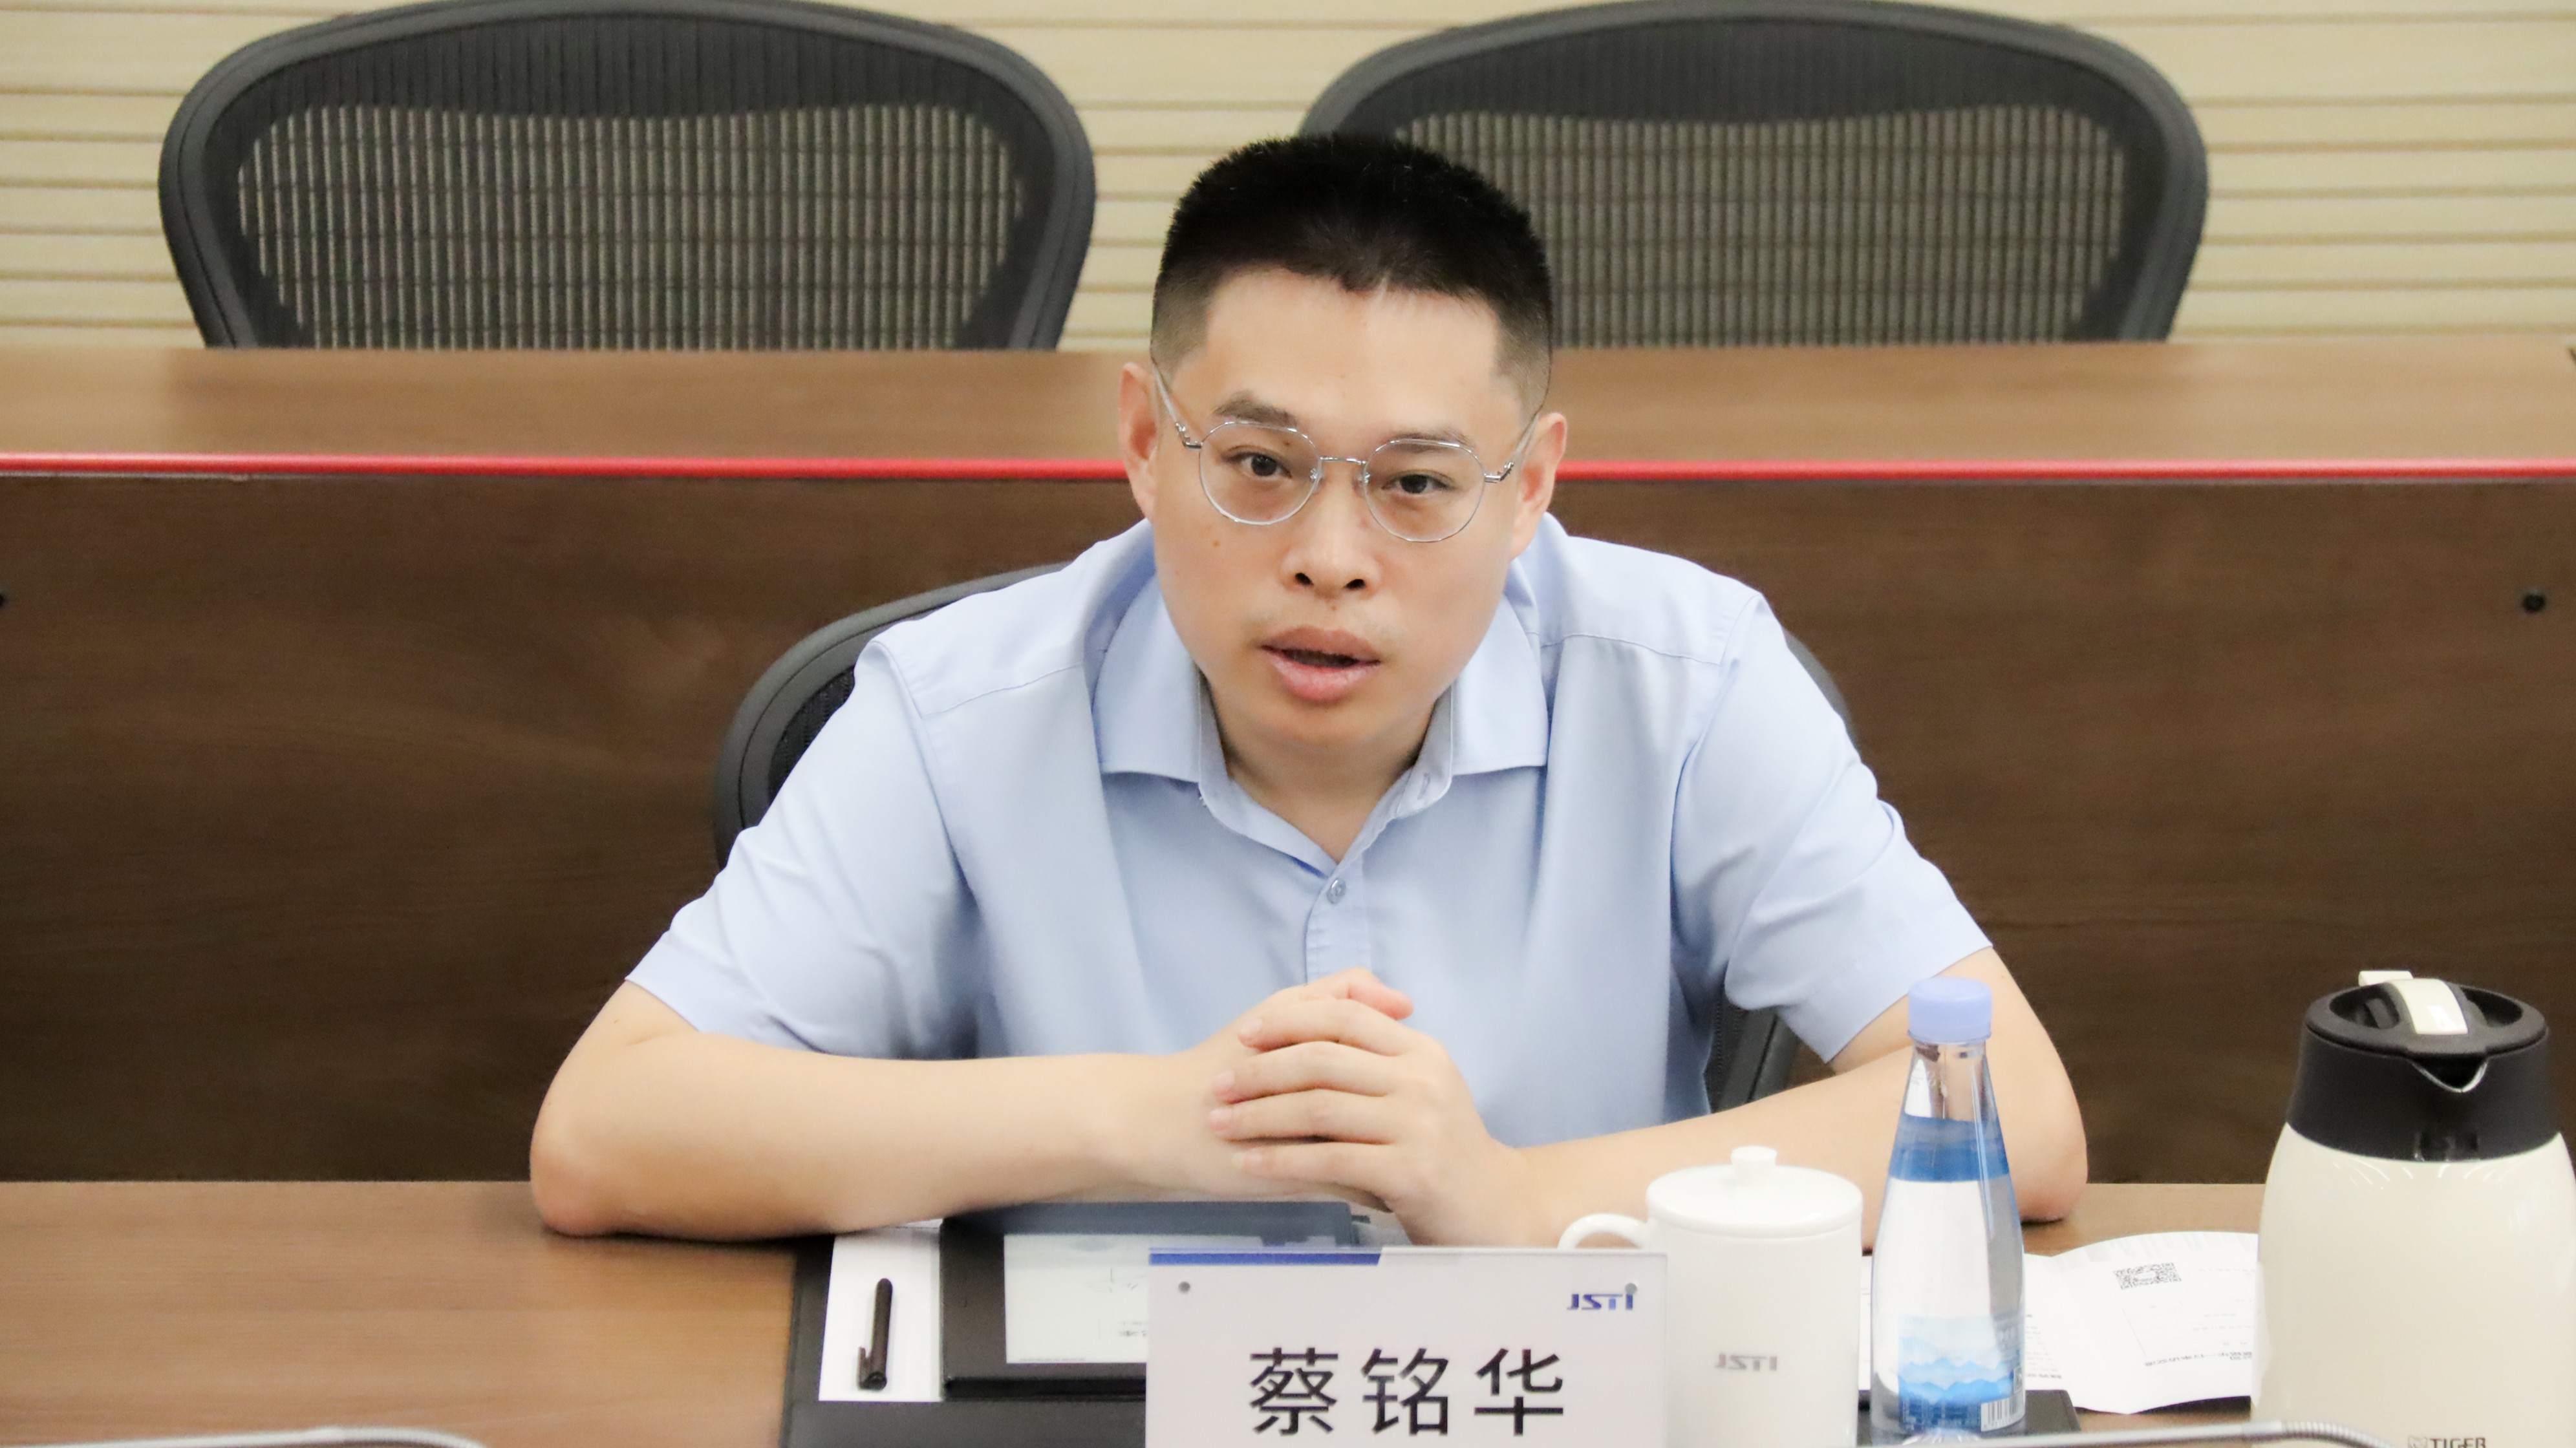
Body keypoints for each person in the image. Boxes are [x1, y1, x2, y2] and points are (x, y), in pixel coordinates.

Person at [530, 135, 2085, 1245]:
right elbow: (607, 1129)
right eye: (1261, 465)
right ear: (1145, 442)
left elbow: (2012, 1105)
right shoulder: (962, 710)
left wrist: (1512, 1196)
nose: (1331, 560)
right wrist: (1152, 1119)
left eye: (1418, 483)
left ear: (1531, 487)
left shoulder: (1684, 680)